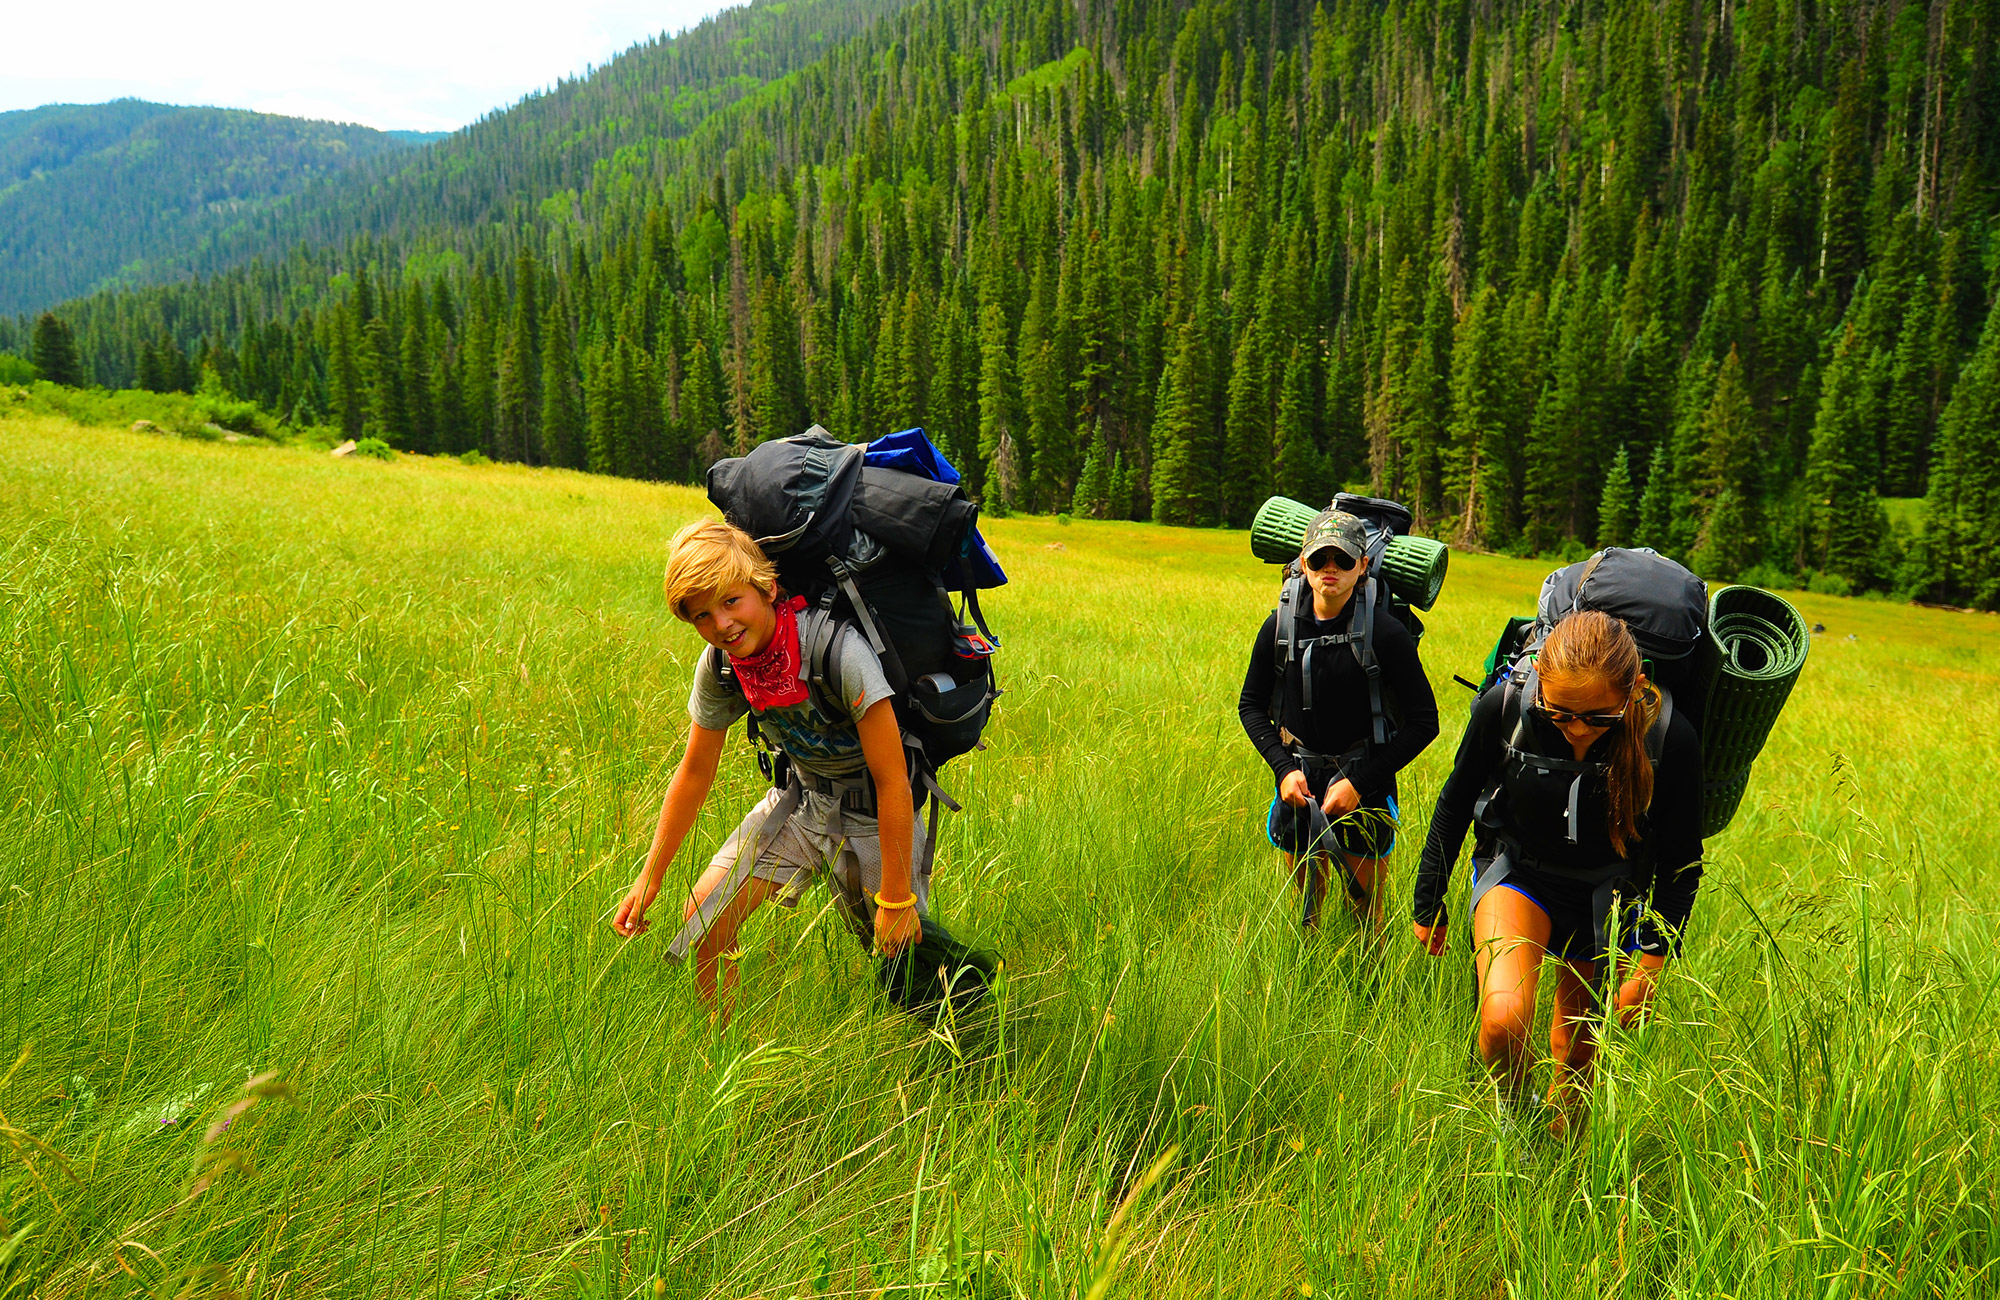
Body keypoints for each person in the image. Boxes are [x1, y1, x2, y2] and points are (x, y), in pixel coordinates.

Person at [611, 519, 931, 1023]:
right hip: (801, 803)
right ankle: (728, 1056)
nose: (721, 625)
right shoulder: (719, 665)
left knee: (900, 955)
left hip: (876, 810)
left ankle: (953, 1049)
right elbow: (696, 770)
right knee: (705, 916)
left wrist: (896, 897)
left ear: (767, 586)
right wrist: (651, 876)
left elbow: (894, 779)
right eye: (701, 616)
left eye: (731, 601)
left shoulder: (837, 651)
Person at [1411, 609, 1703, 1136]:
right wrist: (1429, 896)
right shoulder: (1504, 707)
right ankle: (1514, 1130)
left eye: (1599, 718)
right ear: (1539, 678)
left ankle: (1556, 1161)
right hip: (1519, 872)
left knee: (1576, 1058)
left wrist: (1651, 963)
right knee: (1502, 1020)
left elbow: (1682, 860)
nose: (1577, 732)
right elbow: (1454, 802)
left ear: (1635, 688)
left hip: (1609, 893)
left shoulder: (1670, 737)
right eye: (1560, 713)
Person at [1238, 508, 1439, 930]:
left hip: (1366, 781)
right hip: (1299, 783)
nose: (1331, 569)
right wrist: (1283, 770)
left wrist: (1358, 784)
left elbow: (1425, 722)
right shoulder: (1278, 626)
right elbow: (1251, 705)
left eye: (1343, 560)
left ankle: (1367, 990)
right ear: (1302, 562)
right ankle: (1305, 977)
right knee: (1304, 909)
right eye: (1319, 559)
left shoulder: (1386, 634)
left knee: (1365, 916)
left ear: (1363, 566)